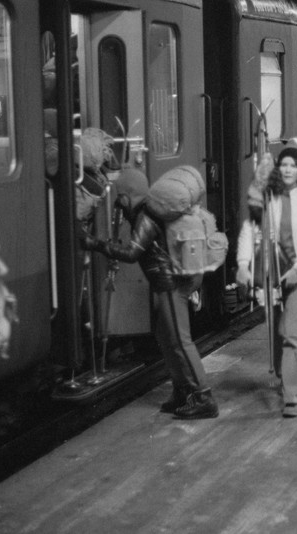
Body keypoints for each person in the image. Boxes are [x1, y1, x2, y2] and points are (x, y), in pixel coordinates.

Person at [83, 167, 219, 419]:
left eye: (120, 196)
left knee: (179, 340)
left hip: (169, 283)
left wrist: (95, 244)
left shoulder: (146, 216)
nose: (119, 203)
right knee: (167, 340)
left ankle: (203, 397)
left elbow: (132, 253)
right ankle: (182, 391)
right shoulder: (147, 211)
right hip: (165, 282)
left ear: (126, 195)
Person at [236, 146, 297, 417]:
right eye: (284, 165)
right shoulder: (268, 196)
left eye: (294, 165)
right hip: (271, 274)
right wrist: (242, 265)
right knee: (277, 331)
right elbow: (249, 231)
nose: (288, 170)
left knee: (294, 334)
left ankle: (293, 396)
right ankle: (282, 376)